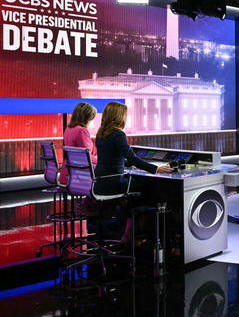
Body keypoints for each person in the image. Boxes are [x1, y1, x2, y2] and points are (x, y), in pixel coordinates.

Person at [94, 101, 173, 242]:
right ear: (119, 117)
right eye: (125, 115)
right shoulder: (118, 134)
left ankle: (130, 226)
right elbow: (132, 158)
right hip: (115, 183)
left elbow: (111, 158)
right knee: (155, 188)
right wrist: (156, 168)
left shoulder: (101, 134)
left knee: (138, 191)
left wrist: (128, 163)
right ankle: (145, 231)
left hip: (101, 183)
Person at [60, 102, 98, 186]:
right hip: (79, 175)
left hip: (68, 173)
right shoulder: (82, 131)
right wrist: (102, 160)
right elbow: (86, 157)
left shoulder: (68, 129)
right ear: (86, 118)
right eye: (91, 118)